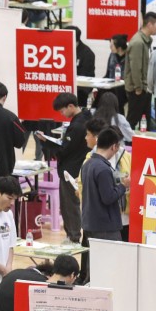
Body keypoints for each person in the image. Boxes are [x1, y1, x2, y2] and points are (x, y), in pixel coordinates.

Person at [40, 93, 93, 243]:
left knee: (69, 205)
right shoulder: (86, 116)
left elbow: (64, 149)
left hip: (71, 169)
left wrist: (47, 143)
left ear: (71, 106)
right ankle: (73, 234)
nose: (62, 115)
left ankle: (73, 236)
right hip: (78, 165)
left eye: (62, 111)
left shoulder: (77, 126)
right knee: (71, 204)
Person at [81, 126, 131, 242]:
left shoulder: (87, 164)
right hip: (105, 228)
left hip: (90, 223)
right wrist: (124, 186)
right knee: (111, 259)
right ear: (114, 146)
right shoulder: (103, 169)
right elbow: (108, 197)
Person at [125, 11, 156, 129]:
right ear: (150, 24)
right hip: (138, 90)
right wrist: (138, 88)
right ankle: (127, 144)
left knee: (145, 120)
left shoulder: (145, 40)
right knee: (132, 119)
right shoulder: (138, 42)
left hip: (144, 88)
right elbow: (136, 67)